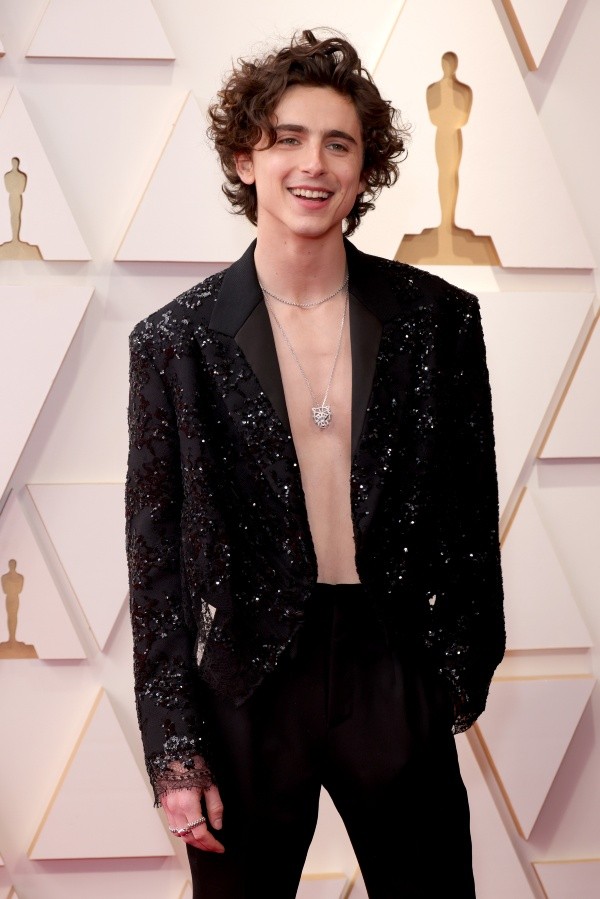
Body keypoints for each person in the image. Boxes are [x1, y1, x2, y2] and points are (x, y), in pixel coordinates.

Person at [126, 29, 505, 898]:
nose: (314, 163)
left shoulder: (439, 320)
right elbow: (156, 562)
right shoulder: (174, 341)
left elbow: (468, 508)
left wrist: (456, 664)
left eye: (340, 142)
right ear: (243, 156)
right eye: (287, 138)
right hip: (249, 680)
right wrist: (175, 747)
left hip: (390, 658)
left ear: (365, 170)